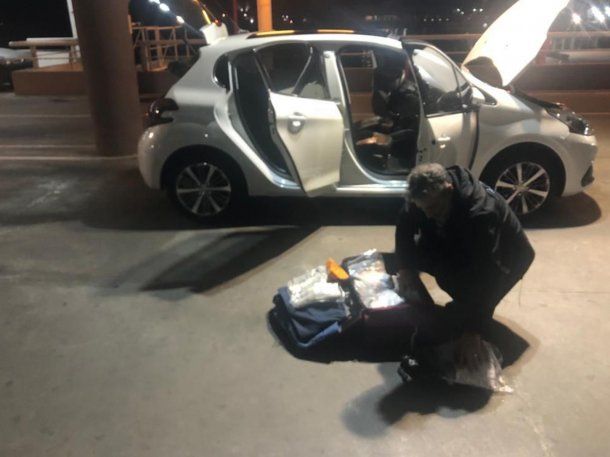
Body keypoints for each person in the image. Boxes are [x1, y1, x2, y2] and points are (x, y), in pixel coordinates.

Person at [395, 163, 535, 370]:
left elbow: (485, 277)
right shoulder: (423, 194)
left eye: (433, 209)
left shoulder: (480, 215)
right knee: (423, 258)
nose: (428, 215)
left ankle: (470, 317)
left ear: (448, 190)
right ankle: (464, 310)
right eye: (422, 209)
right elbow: (404, 225)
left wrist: (472, 331)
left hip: (508, 257)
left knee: (460, 283)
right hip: (458, 234)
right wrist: (405, 268)